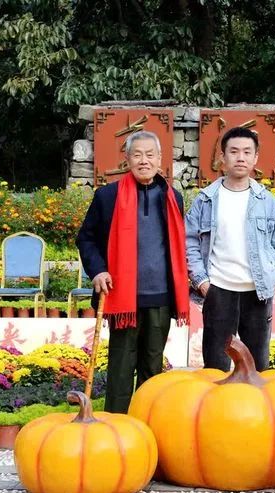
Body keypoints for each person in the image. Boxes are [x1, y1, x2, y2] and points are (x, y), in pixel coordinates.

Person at [76, 130, 189, 413]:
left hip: (160, 296)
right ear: (127, 160)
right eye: (137, 155)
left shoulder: (173, 197)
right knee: (121, 367)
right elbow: (86, 238)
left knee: (153, 366)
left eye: (150, 155)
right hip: (122, 296)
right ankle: (117, 423)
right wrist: (98, 270)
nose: (143, 161)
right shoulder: (108, 196)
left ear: (160, 159)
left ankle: (145, 421)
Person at [185, 126, 275, 371]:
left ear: (255, 158)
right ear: (222, 157)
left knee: (256, 367)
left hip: (257, 292)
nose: (240, 157)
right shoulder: (205, 200)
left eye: (246, 152)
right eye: (233, 151)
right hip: (218, 290)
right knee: (216, 367)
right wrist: (202, 282)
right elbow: (188, 242)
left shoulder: (268, 202)